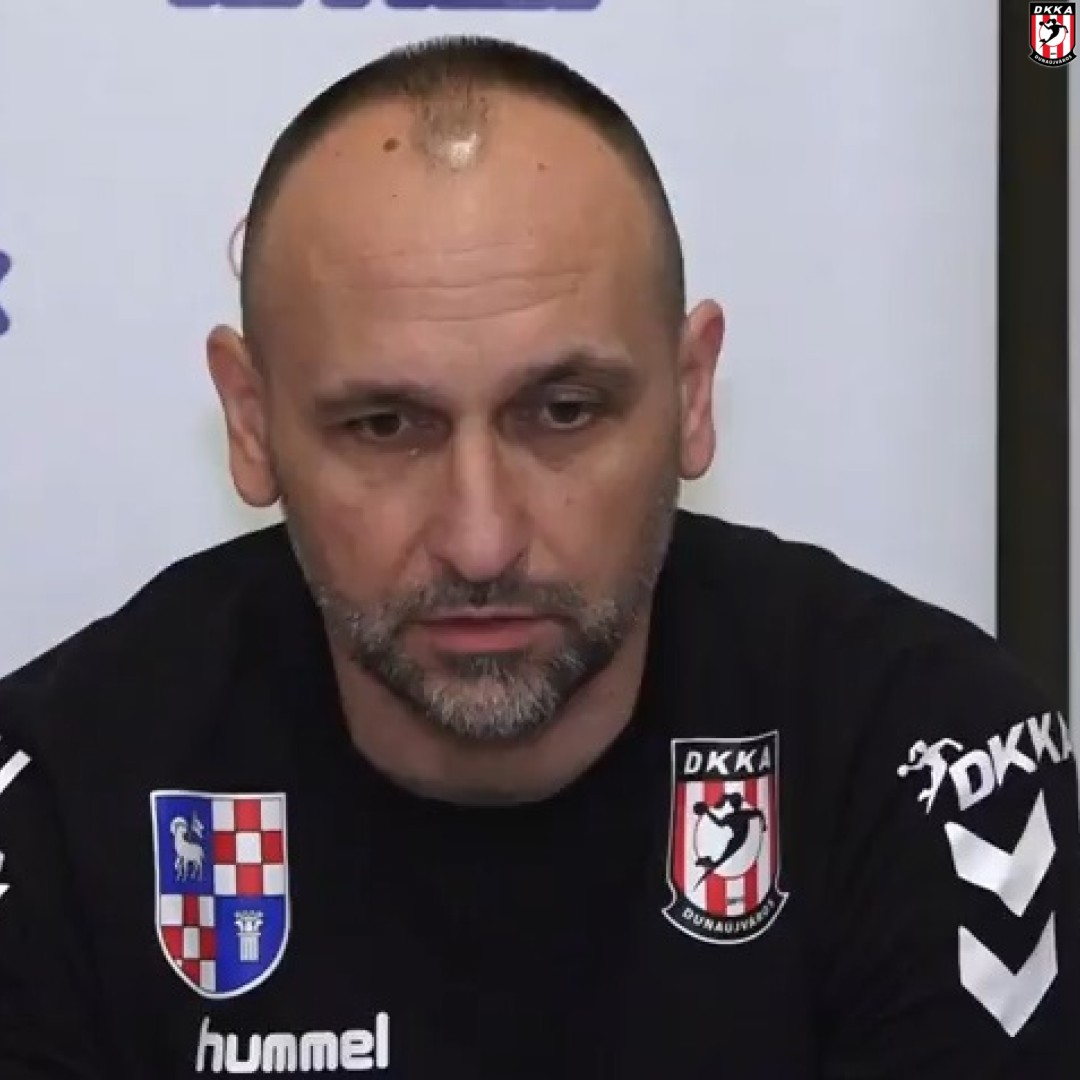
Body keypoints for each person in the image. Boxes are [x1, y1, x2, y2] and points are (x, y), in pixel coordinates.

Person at [0, 34, 1076, 1080]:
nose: (481, 540)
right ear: (251, 422)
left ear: (692, 394)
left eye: (564, 411)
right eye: (385, 426)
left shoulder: (927, 760)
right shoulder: (56, 799)